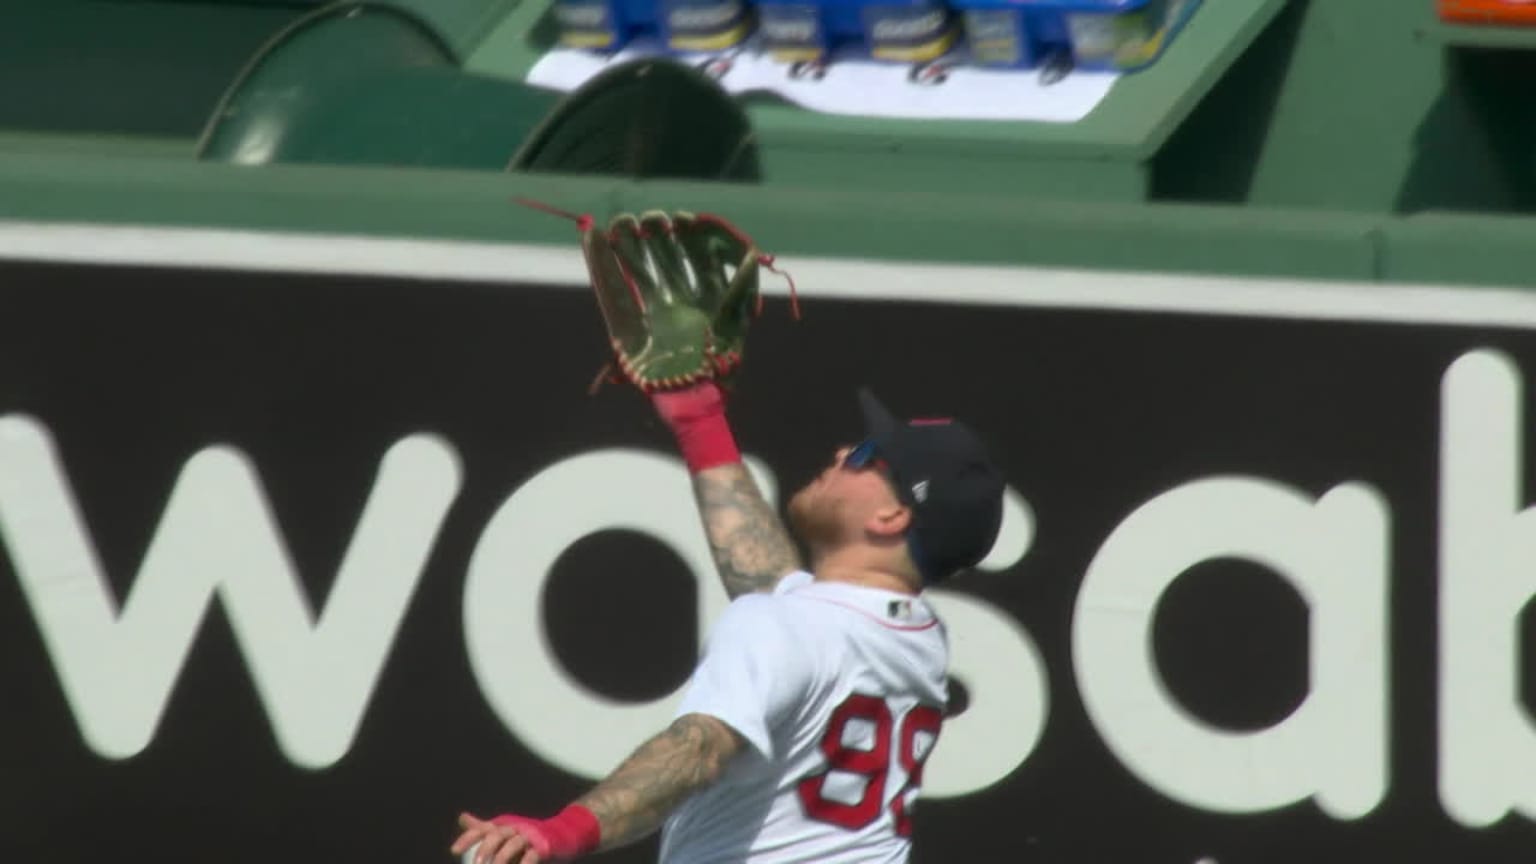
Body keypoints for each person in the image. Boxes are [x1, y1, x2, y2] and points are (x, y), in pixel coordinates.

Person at [452, 380, 1006, 864]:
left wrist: (560, 832)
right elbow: (773, 584)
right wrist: (700, 422)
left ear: (891, 516)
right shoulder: (917, 639)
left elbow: (699, 750)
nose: (841, 451)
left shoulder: (787, 627)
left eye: (865, 455)